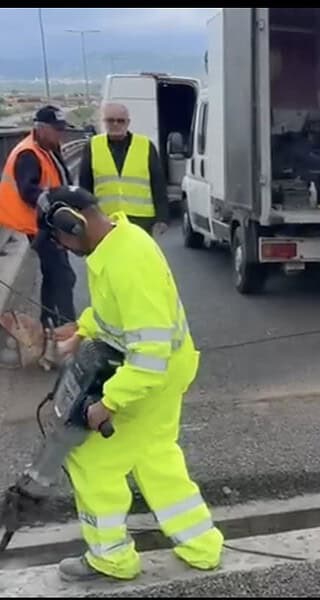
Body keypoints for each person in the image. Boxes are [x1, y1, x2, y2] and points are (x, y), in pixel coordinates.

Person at [34, 186, 223, 582]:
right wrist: (80, 331)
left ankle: (111, 559)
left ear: (73, 223)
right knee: (154, 454)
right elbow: (111, 312)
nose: (64, 248)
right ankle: (201, 545)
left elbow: (148, 355)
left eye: (60, 239)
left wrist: (109, 403)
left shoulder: (127, 263)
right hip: (169, 369)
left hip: (149, 375)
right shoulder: (116, 241)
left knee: (90, 459)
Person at [0, 105, 76, 329]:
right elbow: (28, 190)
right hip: (38, 225)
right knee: (63, 276)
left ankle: (49, 323)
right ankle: (65, 329)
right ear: (40, 128)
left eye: (62, 129)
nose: (60, 133)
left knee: (54, 274)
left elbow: (61, 178)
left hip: (48, 223)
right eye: (56, 129)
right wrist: (52, 205)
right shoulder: (28, 154)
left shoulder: (49, 147)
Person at [78, 102, 169, 237]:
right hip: (106, 219)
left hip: (140, 219)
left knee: (137, 258)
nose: (115, 124)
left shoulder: (145, 145)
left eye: (120, 121)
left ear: (128, 122)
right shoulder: (92, 146)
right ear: (104, 122)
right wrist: (86, 216)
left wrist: (162, 217)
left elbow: (158, 184)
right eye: (110, 120)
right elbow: (85, 185)